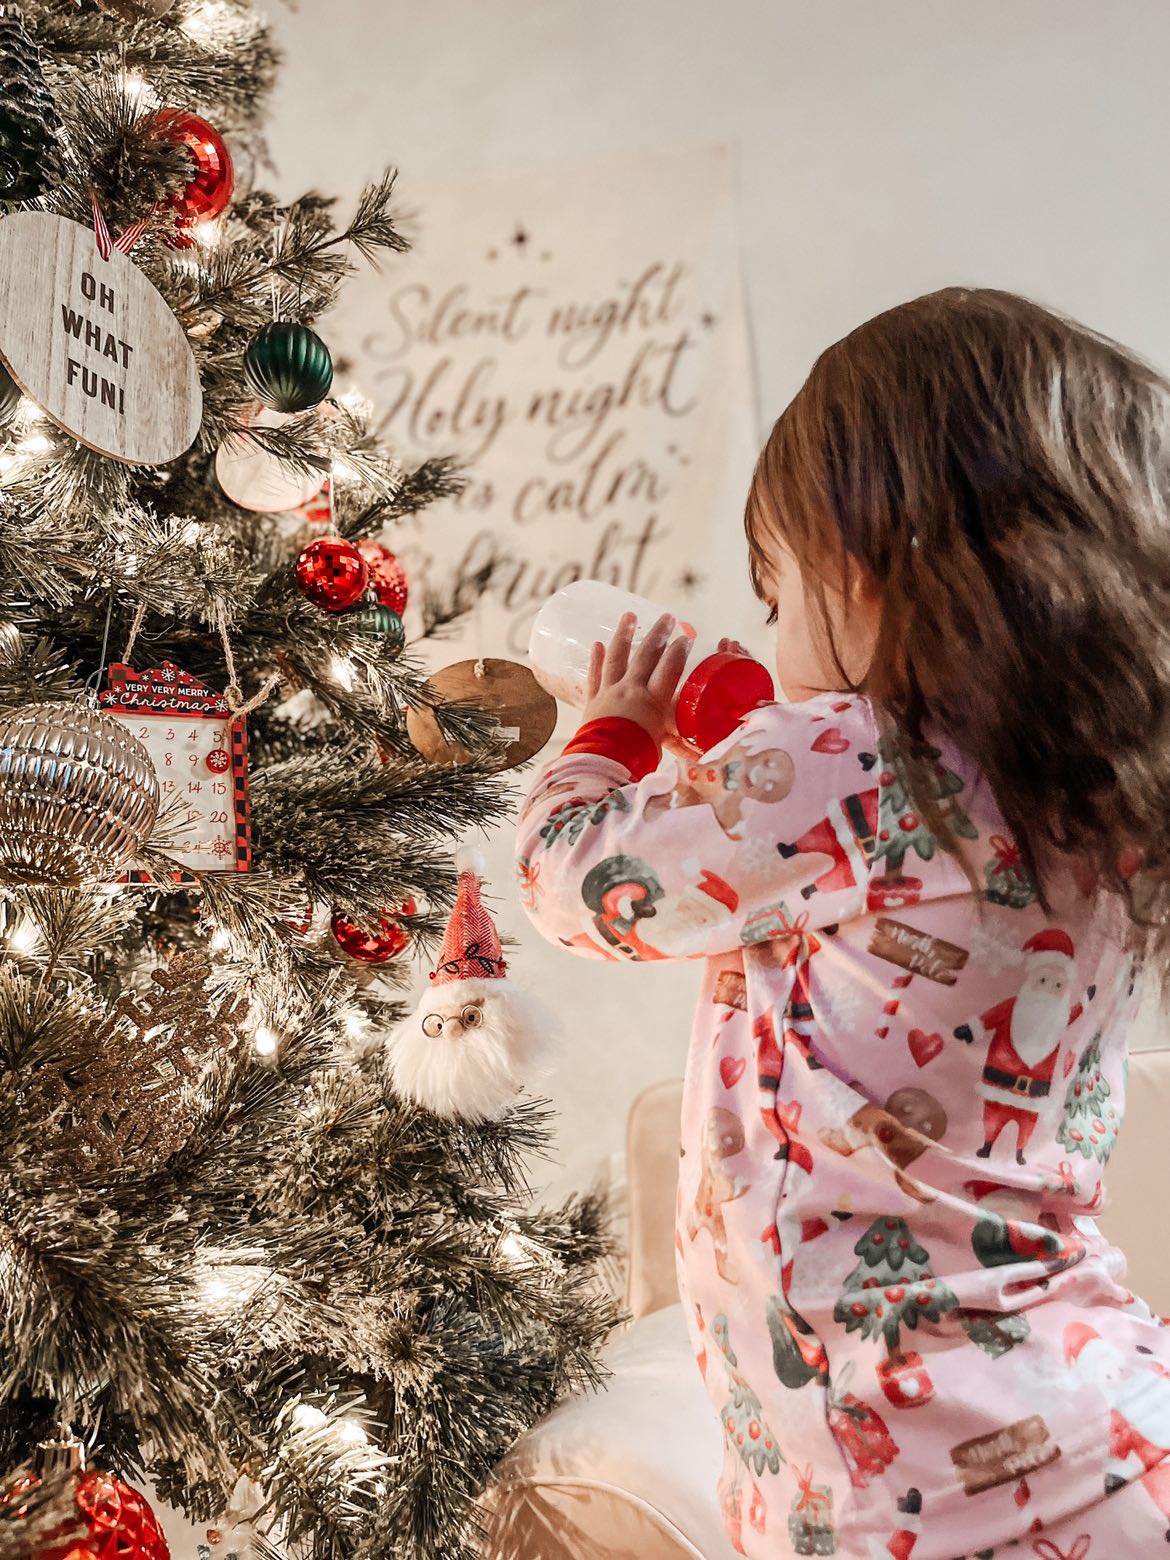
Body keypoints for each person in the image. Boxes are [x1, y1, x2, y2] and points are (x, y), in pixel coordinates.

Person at [514, 288, 1170, 1557]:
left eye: (777, 595)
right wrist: (746, 752)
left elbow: (577, 879)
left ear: (861, 563)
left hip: (922, 1482)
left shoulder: (847, 759)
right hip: (1082, 1433)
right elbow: (856, 861)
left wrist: (613, 731)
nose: (771, 638)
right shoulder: (1086, 796)